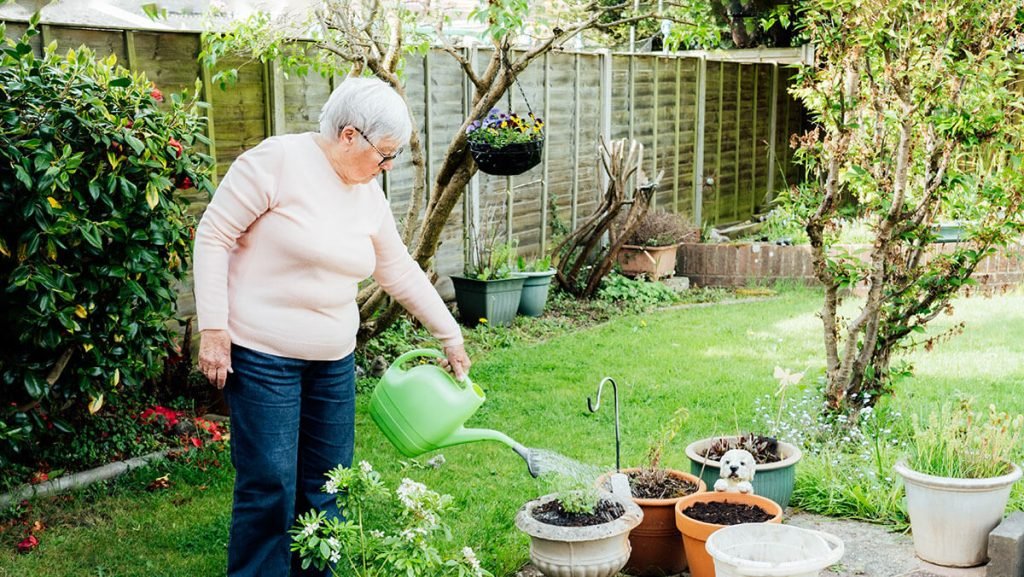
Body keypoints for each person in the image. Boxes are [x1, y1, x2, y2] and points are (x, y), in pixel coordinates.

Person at [193, 76, 471, 577]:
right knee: (270, 484)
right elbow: (214, 234)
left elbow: (399, 269)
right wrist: (214, 329)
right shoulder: (275, 162)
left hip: (333, 362)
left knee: (329, 484)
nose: (387, 168)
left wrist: (448, 333)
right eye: (384, 155)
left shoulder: (366, 196)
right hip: (262, 355)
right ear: (349, 135)